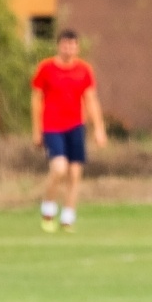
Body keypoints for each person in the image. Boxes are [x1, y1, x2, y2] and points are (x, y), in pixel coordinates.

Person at [31, 29, 107, 233]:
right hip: (52, 126)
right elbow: (36, 99)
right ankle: (48, 208)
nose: (69, 48)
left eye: (72, 45)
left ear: (77, 47)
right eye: (65, 44)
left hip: (76, 126)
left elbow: (91, 100)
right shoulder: (46, 68)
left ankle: (68, 217)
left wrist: (98, 128)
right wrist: (36, 130)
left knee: (74, 173)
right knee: (59, 168)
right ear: (59, 46)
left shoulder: (84, 70)